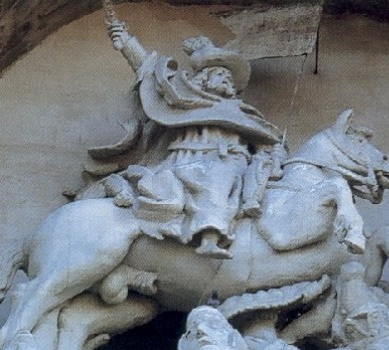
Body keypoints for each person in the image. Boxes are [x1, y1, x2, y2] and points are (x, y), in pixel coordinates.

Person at [86, 18, 283, 259]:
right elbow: (152, 75)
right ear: (205, 77)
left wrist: (274, 153)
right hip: (191, 161)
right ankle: (210, 237)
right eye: (220, 74)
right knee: (216, 180)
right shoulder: (185, 99)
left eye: (229, 78)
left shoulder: (241, 112)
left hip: (236, 163)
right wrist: (127, 43)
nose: (227, 80)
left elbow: (267, 139)